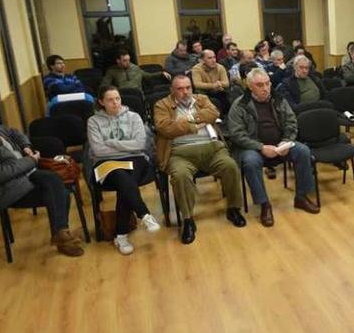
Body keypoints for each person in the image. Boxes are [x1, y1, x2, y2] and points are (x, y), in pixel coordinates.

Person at [0, 95, 85, 257]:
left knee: (56, 182)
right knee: (61, 191)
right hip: (7, 190)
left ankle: (61, 235)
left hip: (23, 174)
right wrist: (30, 160)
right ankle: (62, 236)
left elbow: (14, 132)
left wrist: (26, 146)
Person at [153, 75, 246, 244]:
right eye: (180, 89)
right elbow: (165, 127)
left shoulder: (201, 98)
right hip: (180, 153)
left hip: (211, 149)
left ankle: (233, 208)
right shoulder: (162, 105)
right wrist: (196, 124)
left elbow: (214, 113)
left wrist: (187, 121)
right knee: (180, 176)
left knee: (230, 166)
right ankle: (188, 220)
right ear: (172, 90)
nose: (185, 92)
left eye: (188, 87)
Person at [227, 68, 320, 226]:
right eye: (259, 85)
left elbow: (292, 122)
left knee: (303, 151)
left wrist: (286, 140)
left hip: (280, 144)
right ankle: (264, 204)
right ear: (250, 86)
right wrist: (261, 147)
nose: (265, 88)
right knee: (250, 162)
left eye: (267, 84)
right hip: (254, 148)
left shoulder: (278, 99)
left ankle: (301, 197)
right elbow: (237, 135)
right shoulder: (240, 105)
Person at [87, 85, 161, 255]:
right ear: (101, 102)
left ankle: (121, 236)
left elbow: (139, 144)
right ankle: (144, 215)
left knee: (125, 183)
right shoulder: (93, 121)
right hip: (106, 162)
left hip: (136, 159)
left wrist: (112, 143)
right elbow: (98, 150)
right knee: (123, 178)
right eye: (110, 100)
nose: (115, 103)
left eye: (118, 98)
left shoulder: (133, 117)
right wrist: (126, 147)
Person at [102, 50, 170, 91]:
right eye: (125, 60)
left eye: (128, 60)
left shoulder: (135, 68)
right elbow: (104, 85)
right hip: (122, 95)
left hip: (137, 94)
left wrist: (161, 73)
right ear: (118, 61)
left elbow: (148, 75)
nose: (128, 62)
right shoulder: (112, 71)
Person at [191, 49, 231, 115]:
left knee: (226, 98)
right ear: (202, 60)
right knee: (214, 102)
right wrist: (213, 85)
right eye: (210, 58)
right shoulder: (196, 68)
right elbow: (197, 84)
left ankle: (226, 119)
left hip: (218, 92)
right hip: (203, 94)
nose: (213, 60)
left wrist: (219, 84)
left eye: (214, 57)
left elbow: (226, 83)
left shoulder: (220, 67)